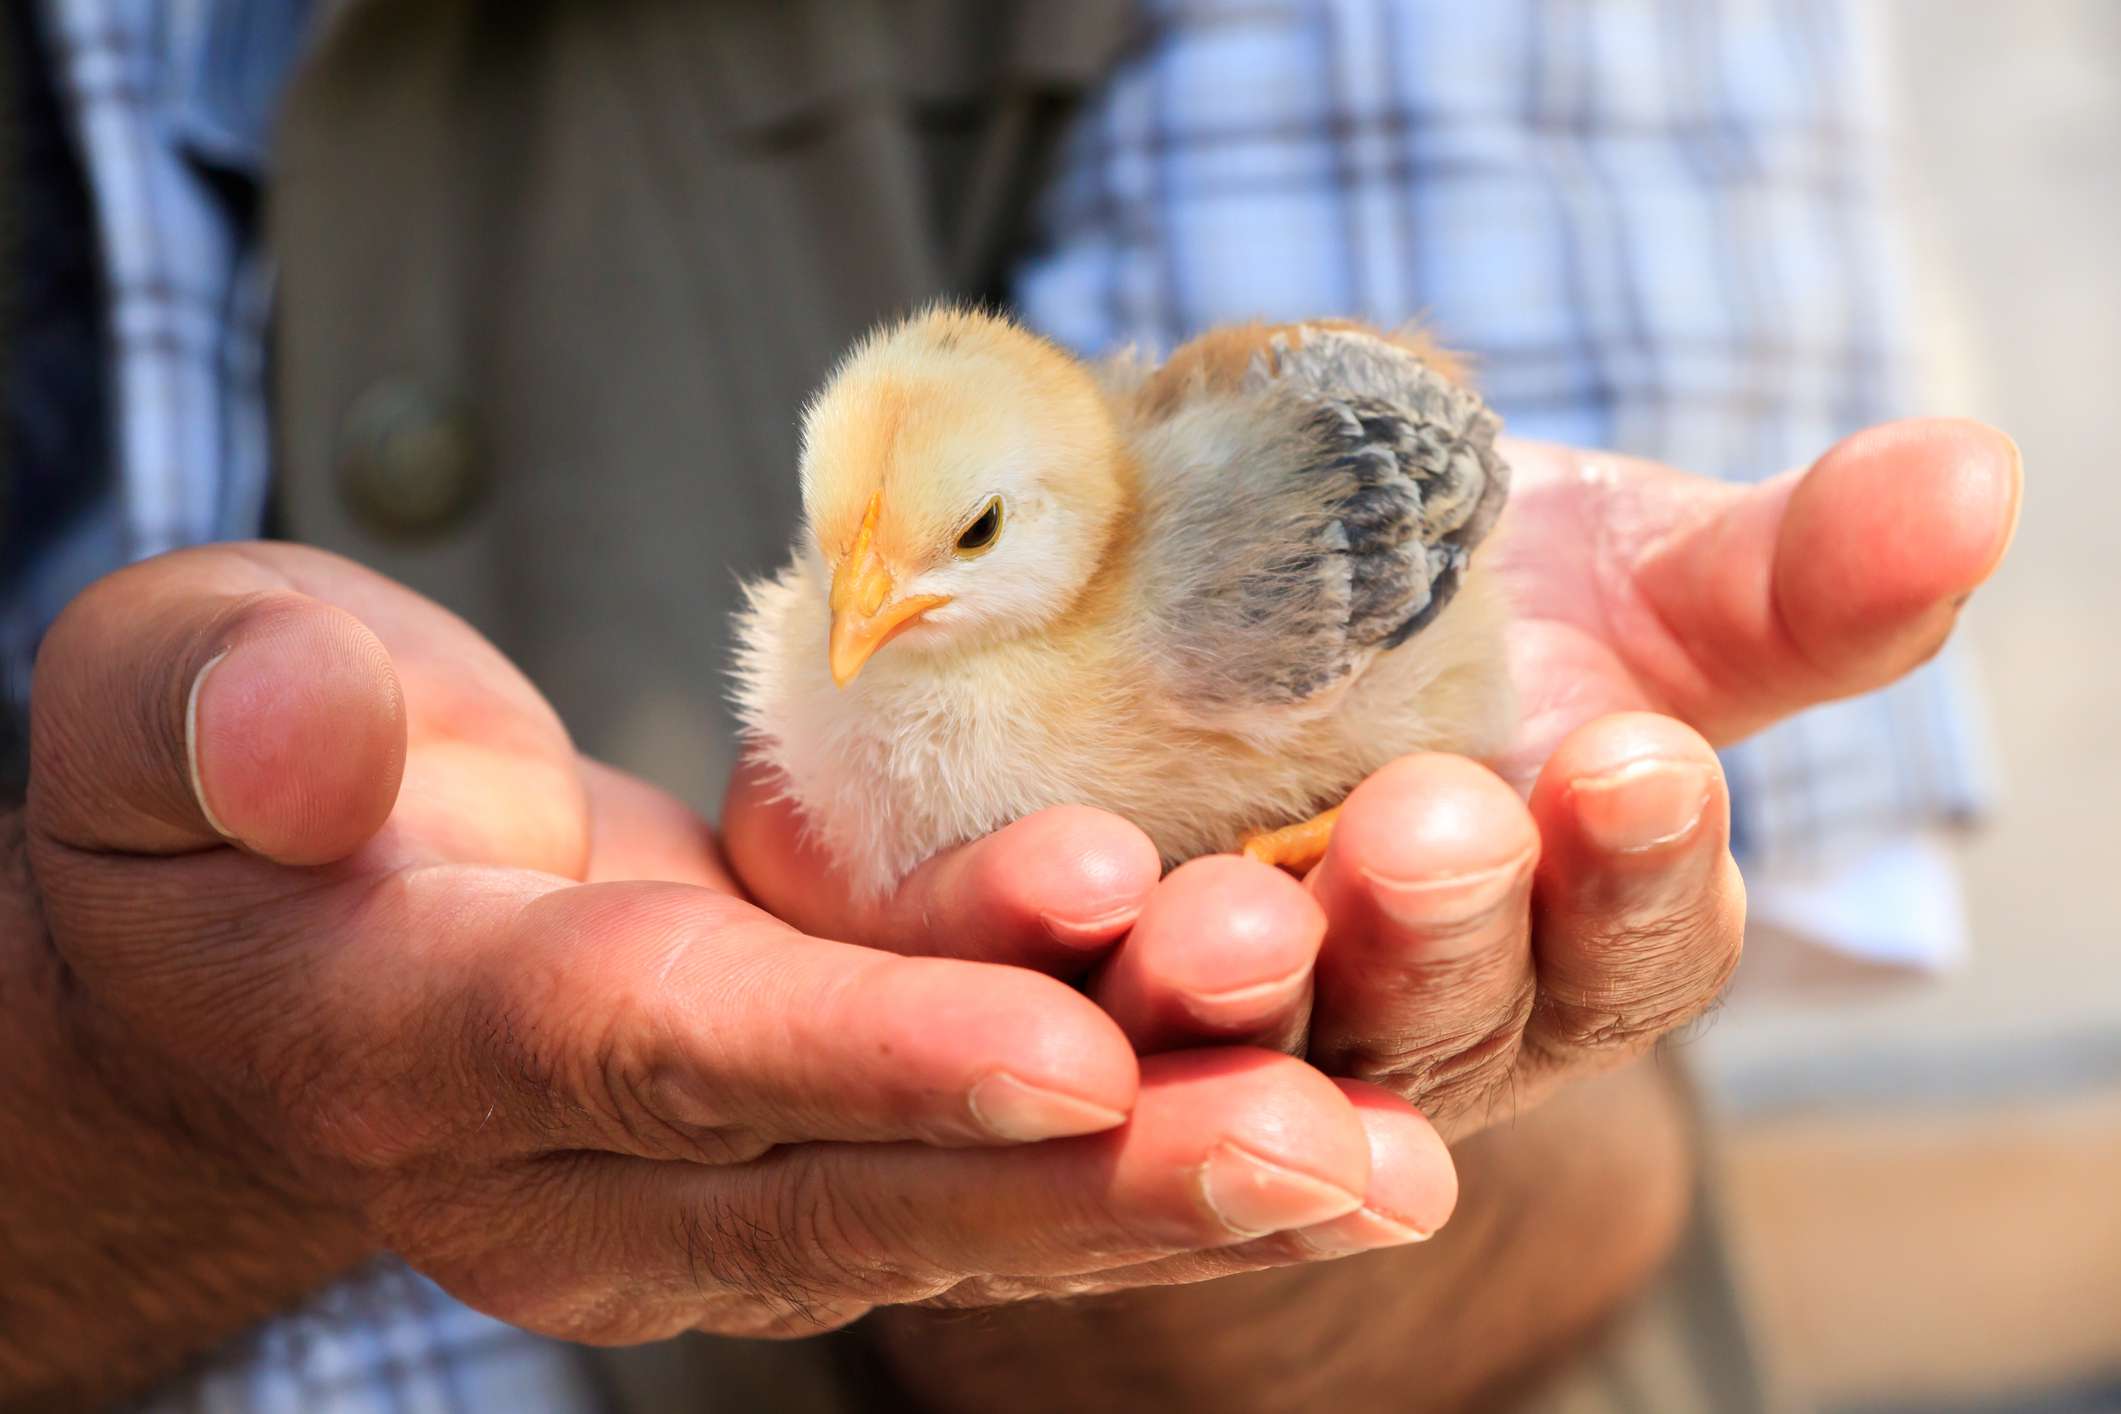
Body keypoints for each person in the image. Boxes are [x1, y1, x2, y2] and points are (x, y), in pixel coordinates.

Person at [0, 1, 2013, 1410]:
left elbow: (1583, 1182)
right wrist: (140, 1087)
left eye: (942, 540)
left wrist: (1252, 1149)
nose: (857, 608)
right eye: (842, 547)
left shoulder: (1208, 597)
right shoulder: (874, 608)